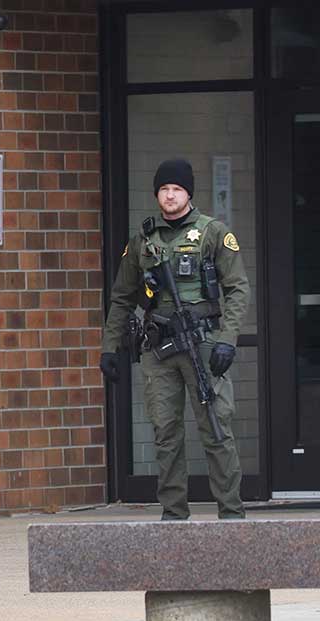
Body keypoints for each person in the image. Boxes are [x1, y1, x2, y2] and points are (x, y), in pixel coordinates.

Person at [100, 158, 250, 520]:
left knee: (216, 429)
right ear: (157, 194)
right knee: (166, 433)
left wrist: (228, 339)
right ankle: (173, 512)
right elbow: (122, 296)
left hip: (202, 342)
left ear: (188, 194)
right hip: (159, 346)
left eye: (177, 189)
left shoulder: (213, 233)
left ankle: (231, 512)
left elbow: (238, 290)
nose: (170, 195)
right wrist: (110, 347)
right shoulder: (142, 241)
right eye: (164, 189)